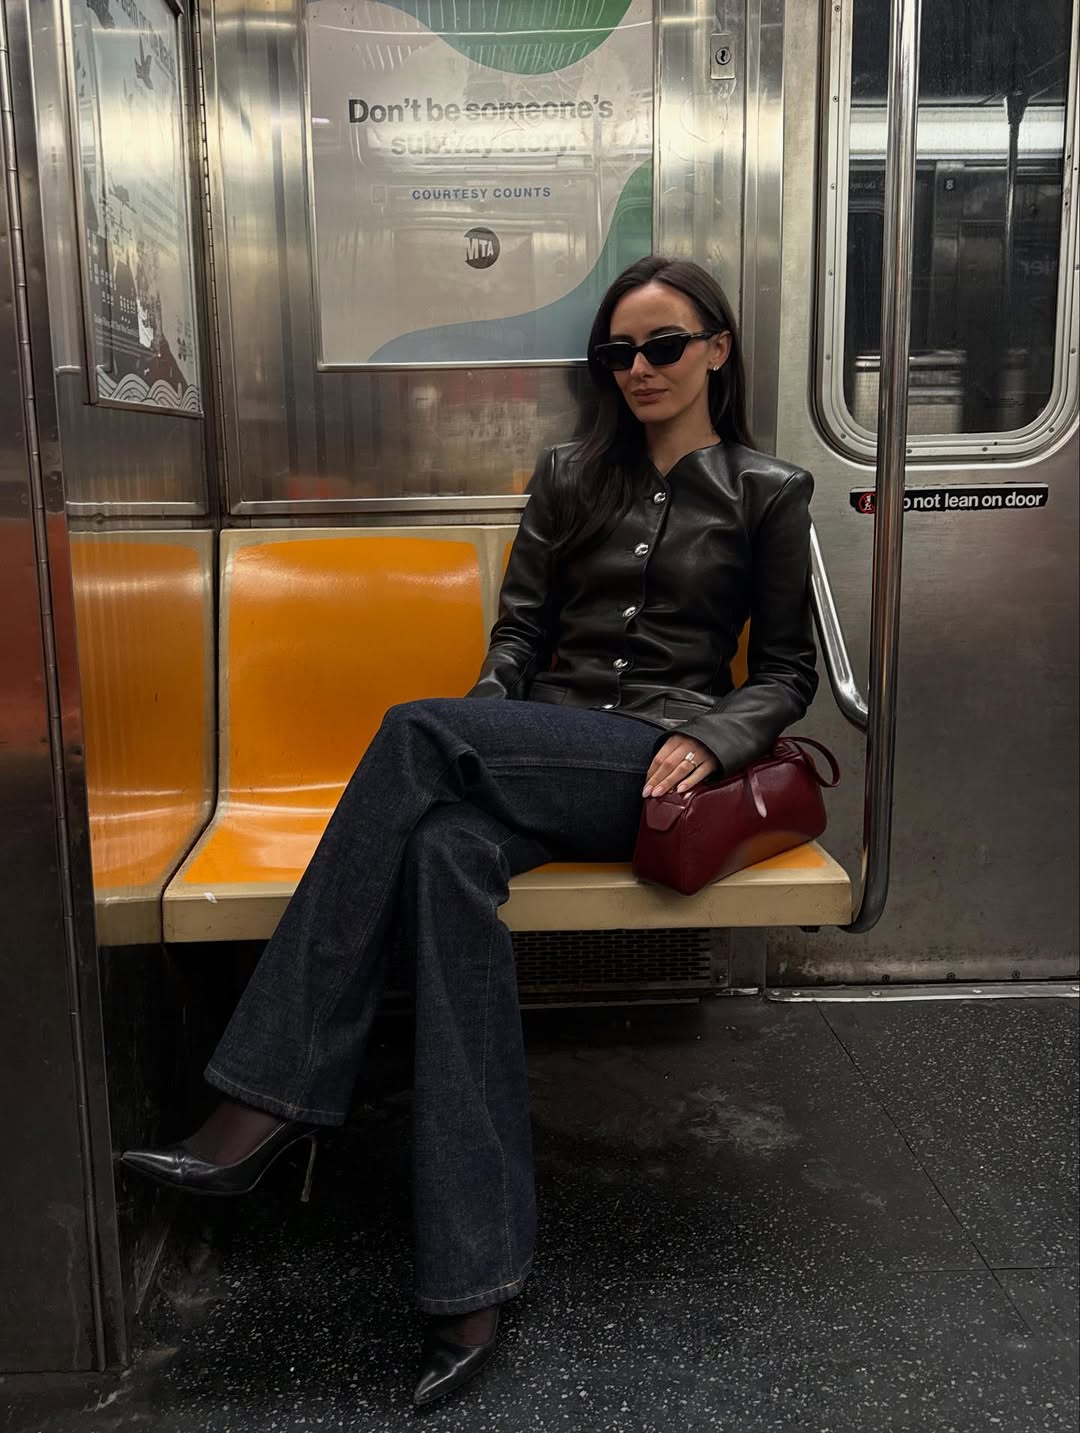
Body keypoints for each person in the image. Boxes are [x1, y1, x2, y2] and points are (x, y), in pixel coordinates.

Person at [121, 255, 818, 1406]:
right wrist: (491, 727)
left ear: (717, 350)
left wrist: (726, 735)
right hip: (545, 753)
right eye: (617, 353)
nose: (637, 370)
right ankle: (471, 1277)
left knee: (411, 734)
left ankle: (268, 1099)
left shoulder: (767, 489)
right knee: (443, 849)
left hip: (659, 766)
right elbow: (519, 638)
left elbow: (787, 671)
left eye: (662, 347)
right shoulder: (566, 476)